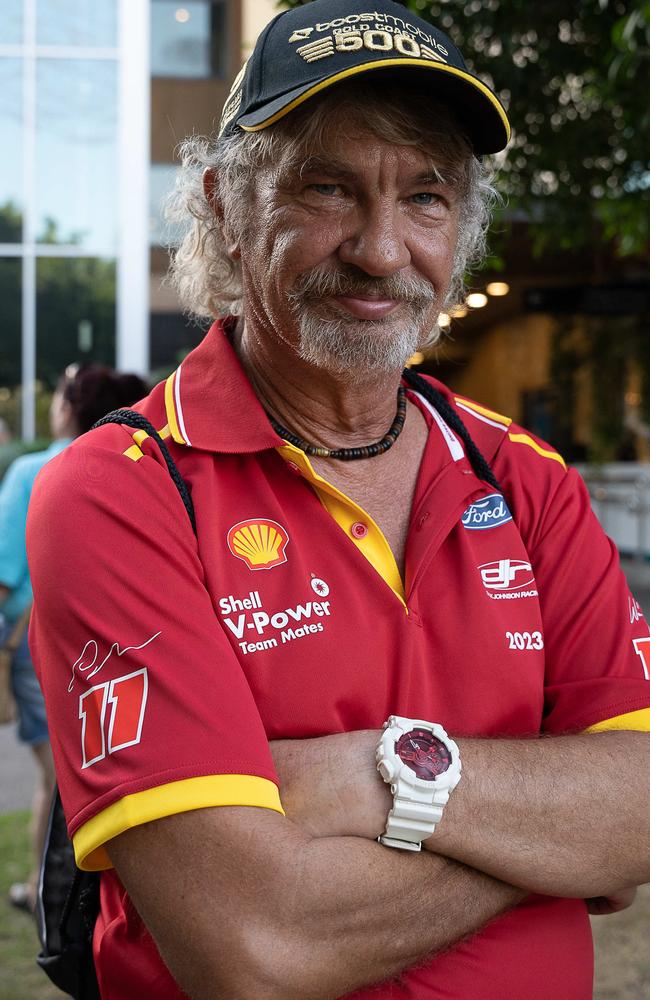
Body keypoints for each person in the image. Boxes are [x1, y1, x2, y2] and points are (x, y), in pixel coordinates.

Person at [27, 1, 650, 997]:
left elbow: (640, 806)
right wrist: (552, 839)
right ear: (226, 205)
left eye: (425, 197)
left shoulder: (524, 477)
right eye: (328, 187)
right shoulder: (120, 491)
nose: (378, 247)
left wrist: (375, 772)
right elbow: (255, 949)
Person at [0, 363, 148, 912]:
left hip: (42, 644)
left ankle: (50, 895)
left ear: (70, 407)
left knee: (57, 778)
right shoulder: (142, 465)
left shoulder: (35, 472)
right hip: (130, 647)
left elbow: (5, 574)